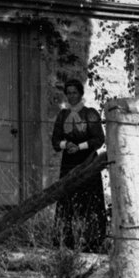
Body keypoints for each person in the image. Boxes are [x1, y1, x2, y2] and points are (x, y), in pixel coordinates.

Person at [51, 78, 108, 251]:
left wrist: (80, 146)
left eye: (74, 92)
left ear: (81, 94)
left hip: (87, 159)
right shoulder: (62, 115)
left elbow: (99, 139)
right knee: (67, 198)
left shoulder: (90, 114)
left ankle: (92, 241)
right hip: (69, 161)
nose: (71, 96)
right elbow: (55, 140)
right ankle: (66, 240)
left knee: (89, 198)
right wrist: (65, 145)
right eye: (68, 93)